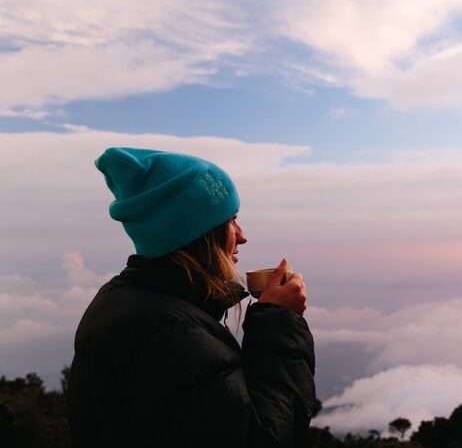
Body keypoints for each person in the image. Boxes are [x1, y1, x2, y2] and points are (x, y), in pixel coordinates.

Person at [68, 147, 315, 448]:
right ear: (199, 234)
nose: (242, 235)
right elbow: (263, 439)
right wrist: (280, 324)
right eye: (231, 220)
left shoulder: (127, 301)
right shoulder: (168, 332)